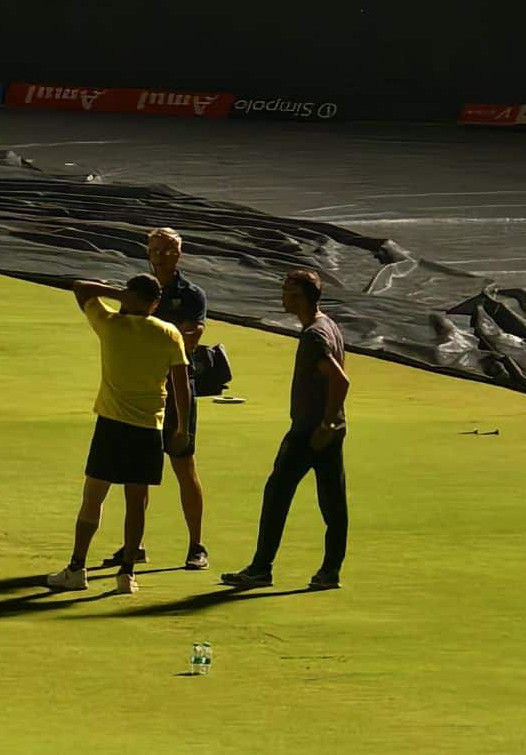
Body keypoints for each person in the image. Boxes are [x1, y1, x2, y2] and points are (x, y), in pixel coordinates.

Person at [48, 274, 192, 595]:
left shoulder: (110, 324)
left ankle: (77, 568)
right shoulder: (169, 334)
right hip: (148, 429)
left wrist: (119, 294)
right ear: (155, 303)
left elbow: (80, 287)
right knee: (136, 502)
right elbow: (181, 385)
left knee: (93, 498)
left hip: (111, 426)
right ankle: (126, 574)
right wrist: (182, 427)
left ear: (130, 297)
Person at [222, 270, 350, 590]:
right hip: (330, 430)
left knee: (277, 494)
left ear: (302, 297)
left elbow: (340, 380)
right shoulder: (327, 325)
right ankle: (330, 571)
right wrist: (334, 422)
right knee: (333, 503)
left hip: (310, 431)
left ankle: (261, 568)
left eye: (289, 292)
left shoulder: (313, 336)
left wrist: (325, 423)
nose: (283, 297)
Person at [107, 228, 212, 571]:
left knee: (184, 465)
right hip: (143, 389)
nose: (158, 256)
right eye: (153, 250)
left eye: (166, 251)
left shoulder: (192, 295)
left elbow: (190, 340)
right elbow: (125, 329)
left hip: (178, 389)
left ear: (178, 254)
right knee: (137, 472)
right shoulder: (136, 288)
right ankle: (133, 545)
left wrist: (155, 336)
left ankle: (197, 545)